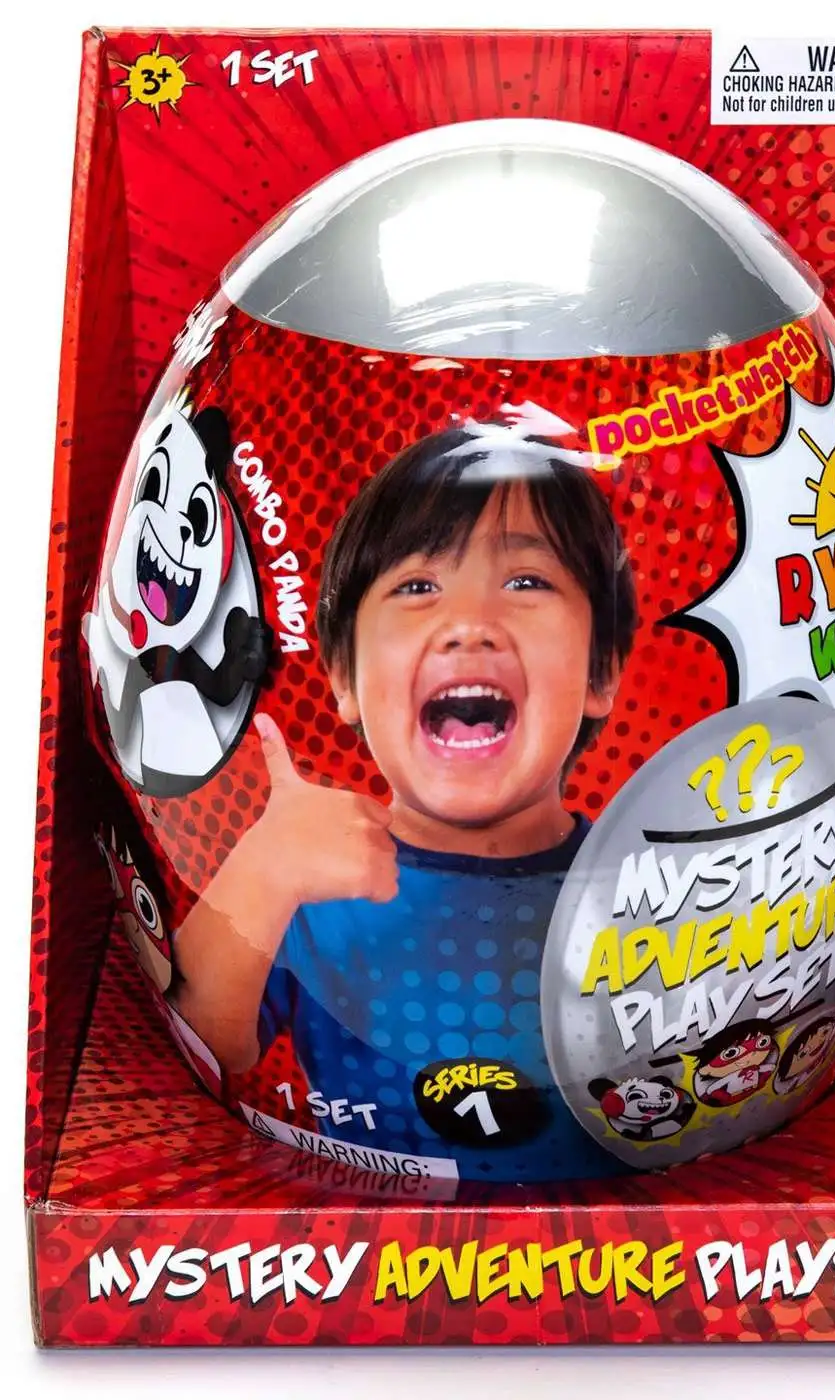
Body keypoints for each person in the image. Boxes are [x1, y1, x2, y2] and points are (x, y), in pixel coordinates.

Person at [171, 421, 638, 1181]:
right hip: (363, 1232)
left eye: (527, 582)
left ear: (601, 671)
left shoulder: (645, 882)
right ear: (344, 678)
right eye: (417, 586)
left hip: (625, 1240)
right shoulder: (310, 879)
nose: (469, 625)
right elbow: (193, 1044)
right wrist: (260, 874)